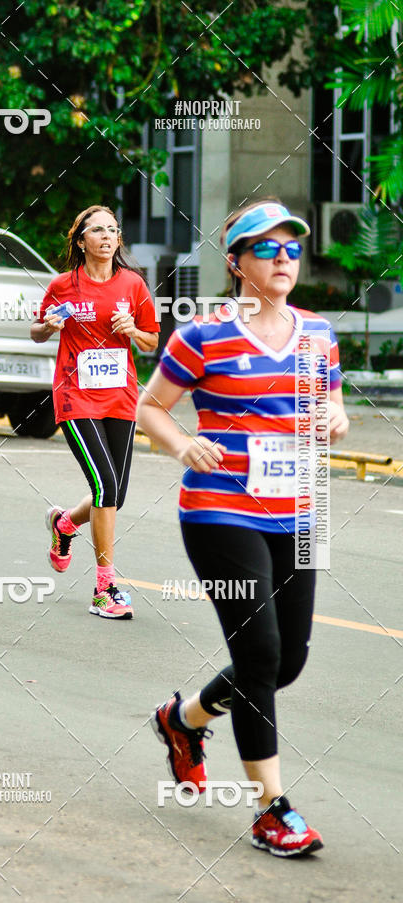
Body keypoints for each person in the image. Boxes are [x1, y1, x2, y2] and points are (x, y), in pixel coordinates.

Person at [137, 199, 349, 856]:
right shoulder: (202, 335)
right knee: (258, 654)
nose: (284, 258)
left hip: (300, 512)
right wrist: (182, 445)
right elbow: (151, 407)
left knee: (285, 663)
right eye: (267, 248)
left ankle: (183, 719)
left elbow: (331, 403)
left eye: (292, 248)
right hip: (221, 509)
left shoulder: (318, 333)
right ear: (236, 262)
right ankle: (271, 810)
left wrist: (337, 418)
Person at [31, 205, 159, 618]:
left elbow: (151, 343)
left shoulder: (133, 285)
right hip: (76, 397)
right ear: (81, 240)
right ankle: (105, 588)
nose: (107, 236)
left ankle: (64, 523)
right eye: (97, 230)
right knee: (104, 484)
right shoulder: (63, 286)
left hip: (120, 398)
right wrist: (48, 327)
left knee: (114, 494)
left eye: (113, 230)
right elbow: (36, 332)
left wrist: (132, 330)